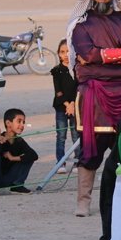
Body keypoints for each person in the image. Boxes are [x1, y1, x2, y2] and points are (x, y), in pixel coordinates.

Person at [66, 0, 121, 217]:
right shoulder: (81, 23)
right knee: (91, 150)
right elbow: (86, 54)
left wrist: (101, 58)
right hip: (93, 95)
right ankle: (83, 201)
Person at [0, 108, 38, 194]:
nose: (22, 125)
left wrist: (13, 158)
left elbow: (34, 155)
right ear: (8, 123)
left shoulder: (19, 141)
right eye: (19, 121)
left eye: (23, 122)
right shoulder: (1, 136)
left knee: (28, 157)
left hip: (10, 178)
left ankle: (17, 185)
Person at [50, 39, 79, 174]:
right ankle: (60, 163)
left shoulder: (77, 69)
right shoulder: (57, 71)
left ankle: (77, 162)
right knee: (61, 136)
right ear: (58, 54)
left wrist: (73, 104)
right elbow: (58, 91)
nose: (66, 54)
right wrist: (67, 105)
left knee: (76, 135)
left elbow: (78, 88)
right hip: (61, 107)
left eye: (68, 51)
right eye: (62, 52)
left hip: (75, 106)